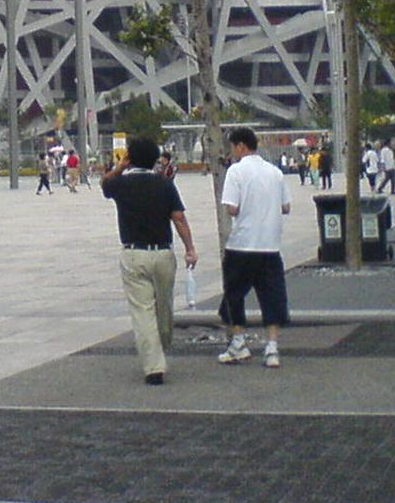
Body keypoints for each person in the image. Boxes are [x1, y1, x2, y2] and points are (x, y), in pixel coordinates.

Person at [101, 136, 198, 385]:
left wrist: (120, 166)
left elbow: (104, 184)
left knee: (142, 312)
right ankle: (160, 348)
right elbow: (178, 218)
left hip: (133, 253)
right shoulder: (165, 184)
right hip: (163, 253)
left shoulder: (120, 184)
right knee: (164, 307)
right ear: (155, 158)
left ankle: (154, 364)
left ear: (130, 158)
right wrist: (190, 248)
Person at [217, 126, 290, 369]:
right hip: (270, 245)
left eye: (232, 147)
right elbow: (286, 207)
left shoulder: (236, 171)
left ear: (240, 146)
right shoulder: (275, 172)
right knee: (272, 297)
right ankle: (272, 347)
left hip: (242, 244)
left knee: (234, 295)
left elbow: (232, 208)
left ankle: (239, 343)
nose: (232, 152)